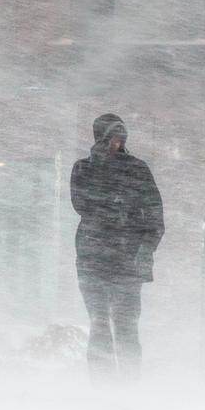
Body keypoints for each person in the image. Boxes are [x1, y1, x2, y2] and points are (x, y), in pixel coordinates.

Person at [70, 114, 164, 384]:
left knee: (126, 327)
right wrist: (104, 171)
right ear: (100, 137)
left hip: (127, 261)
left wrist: (145, 249)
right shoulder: (83, 168)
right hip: (92, 260)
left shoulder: (137, 169)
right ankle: (103, 387)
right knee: (99, 325)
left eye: (122, 136)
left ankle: (130, 386)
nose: (118, 142)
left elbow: (156, 216)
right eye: (113, 136)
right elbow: (82, 205)